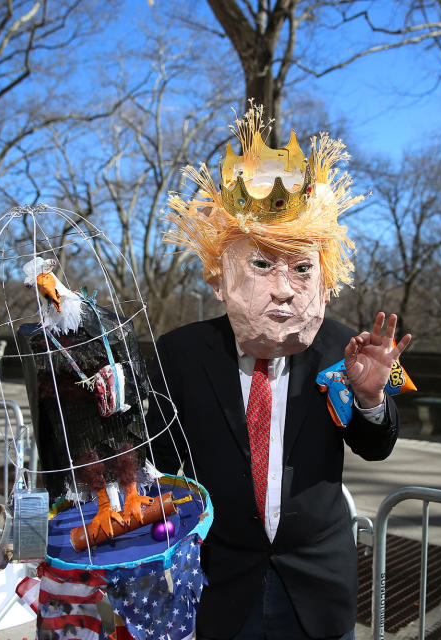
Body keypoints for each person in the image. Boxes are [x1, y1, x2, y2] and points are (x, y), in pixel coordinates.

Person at [150, 107, 411, 640]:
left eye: (300, 268)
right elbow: (158, 461)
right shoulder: (178, 353)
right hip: (218, 583)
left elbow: (376, 445)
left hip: (316, 587)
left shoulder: (346, 346)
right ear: (221, 280)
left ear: (325, 277)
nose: (286, 289)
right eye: (263, 266)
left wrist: (369, 400)